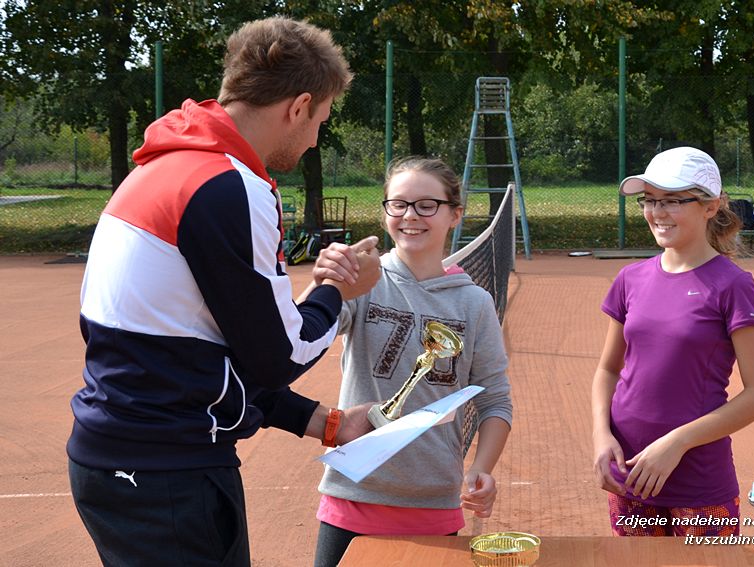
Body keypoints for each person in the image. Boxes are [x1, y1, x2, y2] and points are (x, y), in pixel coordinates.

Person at [67, 17, 381, 567]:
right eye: (321, 121)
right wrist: (338, 289)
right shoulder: (228, 184)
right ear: (298, 106)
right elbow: (279, 357)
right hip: (167, 473)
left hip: (126, 460)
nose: (314, 140)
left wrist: (327, 423)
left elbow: (195, 351)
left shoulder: (168, 164)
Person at [310, 157, 513, 566]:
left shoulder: (474, 304)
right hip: (353, 495)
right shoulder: (363, 280)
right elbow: (300, 336)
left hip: (434, 505)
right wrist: (323, 285)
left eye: (426, 205)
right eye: (398, 204)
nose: (410, 216)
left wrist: (483, 467)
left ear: (455, 214)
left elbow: (495, 400)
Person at [591, 146, 754, 536]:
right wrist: (601, 435)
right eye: (650, 200)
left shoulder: (733, 285)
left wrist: (676, 443)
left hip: (699, 486)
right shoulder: (629, 279)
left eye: (673, 200)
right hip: (629, 476)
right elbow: (608, 369)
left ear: (710, 206)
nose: (657, 212)